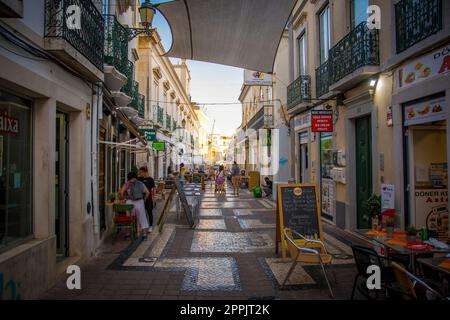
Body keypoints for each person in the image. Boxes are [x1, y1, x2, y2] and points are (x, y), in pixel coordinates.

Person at [119, 172, 150, 240]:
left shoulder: (127, 184)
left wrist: (124, 198)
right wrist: (144, 200)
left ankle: (128, 234)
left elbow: (121, 192)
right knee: (142, 217)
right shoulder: (140, 183)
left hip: (130, 202)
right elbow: (147, 192)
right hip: (139, 202)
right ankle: (144, 234)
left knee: (129, 217)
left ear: (128, 178)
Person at [138, 166, 156, 233]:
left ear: (145, 172)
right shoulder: (139, 179)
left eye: (141, 172)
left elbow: (153, 189)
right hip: (140, 197)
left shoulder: (150, 179)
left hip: (148, 198)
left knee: (149, 212)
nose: (140, 173)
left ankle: (150, 226)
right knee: (140, 212)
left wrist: (154, 198)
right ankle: (141, 226)